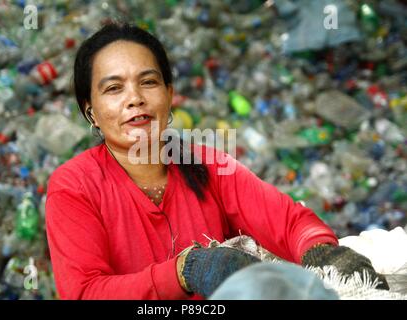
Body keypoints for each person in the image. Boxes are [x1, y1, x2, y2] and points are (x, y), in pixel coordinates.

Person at [45, 22, 388, 300]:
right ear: (90, 110)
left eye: (148, 82)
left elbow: (288, 221)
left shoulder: (205, 164)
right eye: (114, 88)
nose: (135, 99)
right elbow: (84, 292)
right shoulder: (74, 186)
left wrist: (322, 251)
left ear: (169, 94)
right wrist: (184, 271)